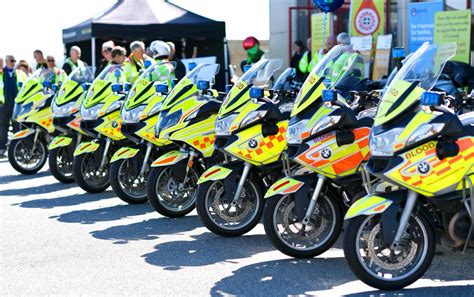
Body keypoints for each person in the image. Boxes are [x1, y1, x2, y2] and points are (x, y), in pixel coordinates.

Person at [0, 55, 27, 156]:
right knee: (3, 128)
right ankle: (2, 149)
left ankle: (18, 149)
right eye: (11, 60)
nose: (13, 62)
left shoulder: (20, 73)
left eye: (15, 60)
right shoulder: (1, 73)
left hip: (17, 105)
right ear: (6, 61)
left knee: (17, 128)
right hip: (3, 106)